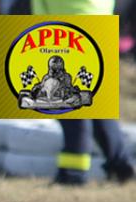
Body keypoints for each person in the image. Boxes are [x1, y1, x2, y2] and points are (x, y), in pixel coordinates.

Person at [32, 0, 135, 185]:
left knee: (71, 108)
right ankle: (121, 165)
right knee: (95, 104)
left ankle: (73, 173)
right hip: (98, 18)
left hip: (70, 24)